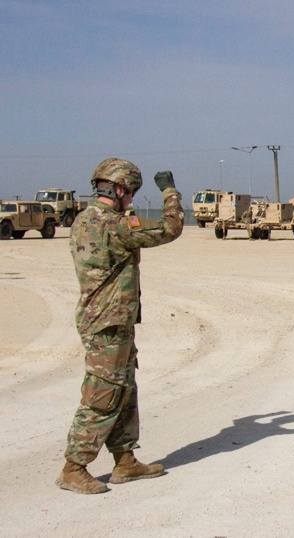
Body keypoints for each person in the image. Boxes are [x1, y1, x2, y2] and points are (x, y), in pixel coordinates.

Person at [55, 158, 184, 494]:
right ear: (122, 189)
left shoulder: (85, 219)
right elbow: (169, 229)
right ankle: (74, 466)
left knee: (124, 389)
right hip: (107, 322)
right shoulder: (113, 224)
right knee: (103, 394)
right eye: (132, 193)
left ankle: (125, 461)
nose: (132, 200)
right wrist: (170, 192)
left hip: (113, 319)